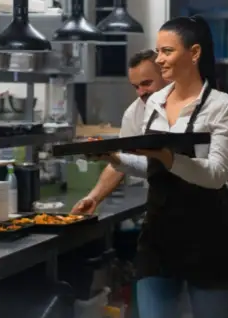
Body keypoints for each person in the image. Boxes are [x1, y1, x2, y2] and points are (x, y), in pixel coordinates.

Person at [102, 16, 228, 318]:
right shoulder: (154, 103)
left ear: (193, 53)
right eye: (159, 50)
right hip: (159, 237)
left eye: (167, 51)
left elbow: (215, 175)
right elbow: (151, 169)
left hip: (208, 238)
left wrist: (168, 158)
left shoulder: (221, 106)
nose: (160, 58)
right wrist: (114, 158)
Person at [70, 49, 168, 215]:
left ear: (165, 75)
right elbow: (122, 163)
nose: (141, 92)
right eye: (136, 86)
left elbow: (175, 165)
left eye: (146, 83)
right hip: (161, 205)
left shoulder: (188, 107)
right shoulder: (134, 113)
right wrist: (93, 198)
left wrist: (114, 157)